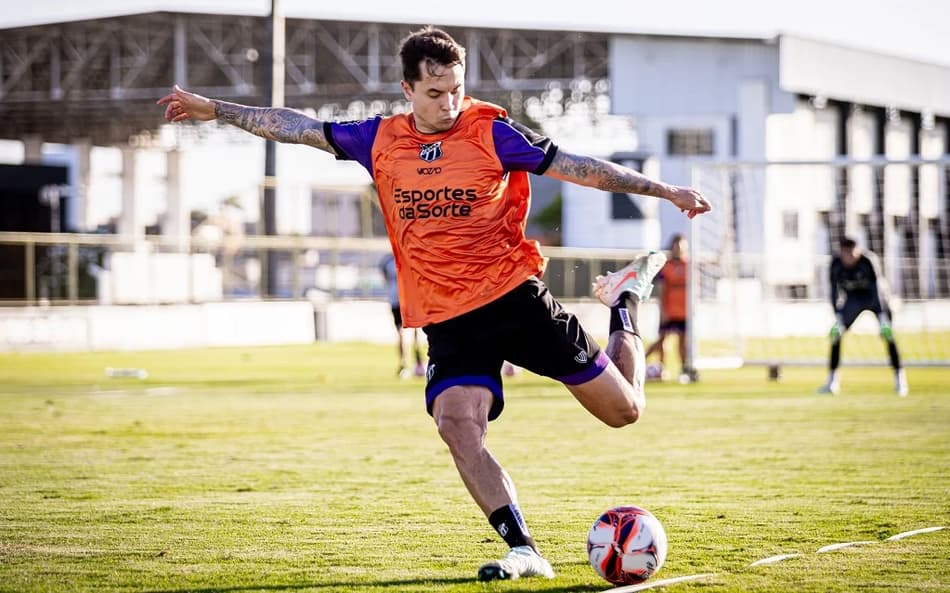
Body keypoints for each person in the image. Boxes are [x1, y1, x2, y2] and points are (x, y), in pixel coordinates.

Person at [158, 25, 711, 581]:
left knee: (624, 412)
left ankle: (624, 299)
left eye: (455, 90)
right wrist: (219, 110)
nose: (448, 103)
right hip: (448, 318)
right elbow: (298, 127)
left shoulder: (491, 133)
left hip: (514, 300)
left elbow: (583, 168)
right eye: (434, 92)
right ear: (407, 89)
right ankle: (524, 548)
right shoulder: (377, 139)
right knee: (456, 425)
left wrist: (665, 192)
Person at [818, 237, 908, 396]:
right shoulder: (836, 264)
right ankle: (832, 382)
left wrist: (882, 318)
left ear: (858, 250)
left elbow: (877, 289)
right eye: (846, 254)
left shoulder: (868, 261)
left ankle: (900, 380)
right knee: (836, 335)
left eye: (853, 253)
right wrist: (838, 317)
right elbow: (833, 291)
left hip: (876, 299)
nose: (850, 257)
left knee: (888, 335)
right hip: (853, 300)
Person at [644, 233, 691, 382]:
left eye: (681, 245)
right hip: (670, 310)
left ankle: (684, 369)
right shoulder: (667, 267)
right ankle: (653, 364)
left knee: (683, 342)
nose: (679, 248)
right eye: (676, 245)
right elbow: (662, 290)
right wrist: (663, 309)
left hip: (685, 311)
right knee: (662, 340)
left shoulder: (689, 265)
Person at [380, 251, 426, 378]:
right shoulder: (403, 257)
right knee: (410, 330)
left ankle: (409, 363)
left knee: (407, 331)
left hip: (401, 299)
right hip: (403, 299)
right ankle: (413, 363)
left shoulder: (390, 260)